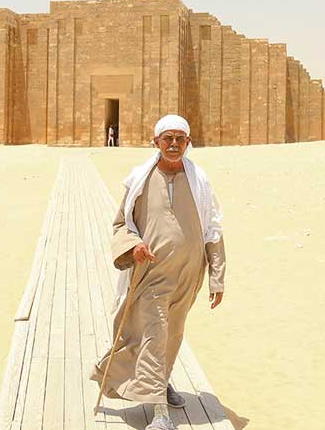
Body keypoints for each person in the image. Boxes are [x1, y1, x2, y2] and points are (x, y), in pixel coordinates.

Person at [91, 114, 227, 430]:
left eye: (180, 138)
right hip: (152, 275)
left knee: (173, 334)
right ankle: (160, 412)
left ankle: (161, 383)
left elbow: (213, 230)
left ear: (188, 142)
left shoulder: (200, 181)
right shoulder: (140, 180)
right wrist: (134, 246)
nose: (174, 144)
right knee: (154, 334)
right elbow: (121, 223)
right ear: (156, 142)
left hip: (189, 275)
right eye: (168, 138)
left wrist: (217, 277)